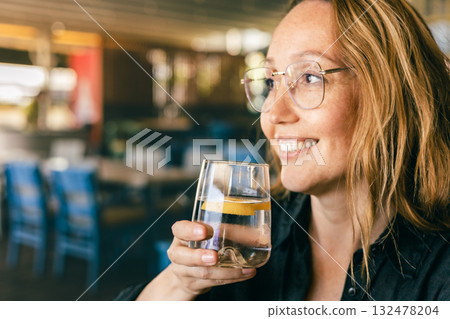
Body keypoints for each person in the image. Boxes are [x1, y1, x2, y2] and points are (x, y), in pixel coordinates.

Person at [115, 0, 449, 301]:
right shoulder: (248, 239)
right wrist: (179, 284)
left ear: (394, 93)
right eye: (272, 82)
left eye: (309, 77)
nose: (272, 113)